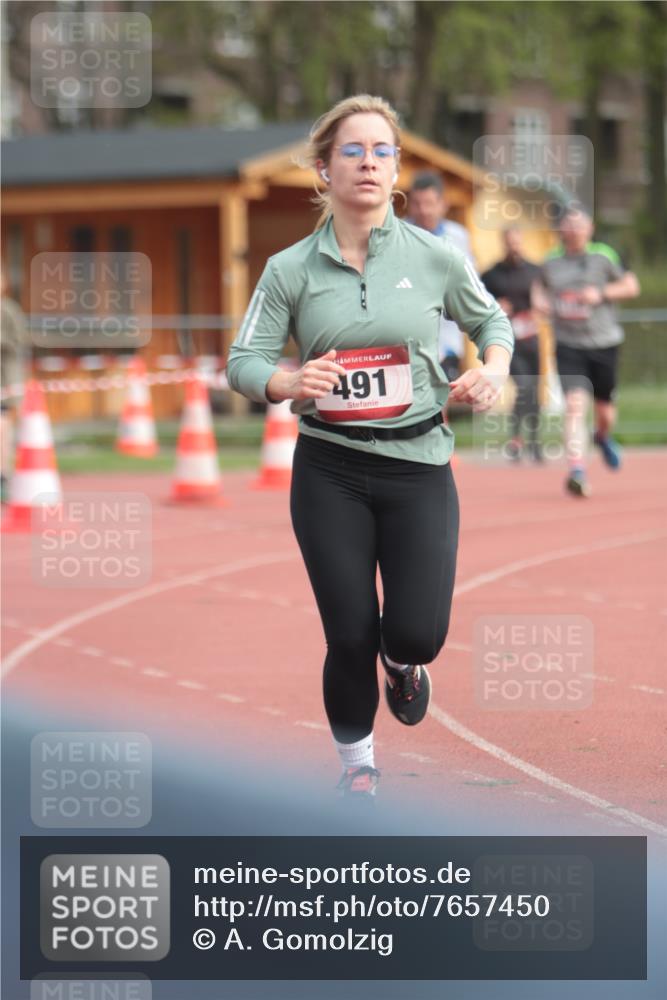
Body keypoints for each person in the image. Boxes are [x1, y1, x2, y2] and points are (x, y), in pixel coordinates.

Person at [226, 94, 513, 800]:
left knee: (417, 632)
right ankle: (357, 766)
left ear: (396, 169)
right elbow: (242, 361)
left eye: (382, 151)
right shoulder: (289, 269)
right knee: (348, 632)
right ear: (324, 169)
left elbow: (493, 323)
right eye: (352, 151)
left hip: (418, 465)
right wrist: (287, 381)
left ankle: (402, 660)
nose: (368, 163)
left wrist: (493, 369)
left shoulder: (435, 256)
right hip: (330, 469)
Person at [534, 208, 640, 497]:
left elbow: (631, 286)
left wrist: (601, 294)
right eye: (568, 225)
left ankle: (602, 436)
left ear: (590, 228)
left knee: (605, 413)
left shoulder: (604, 256)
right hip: (568, 345)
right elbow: (538, 288)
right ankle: (577, 470)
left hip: (604, 343)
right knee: (575, 406)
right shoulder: (551, 261)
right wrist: (541, 303)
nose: (574, 230)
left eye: (579, 225)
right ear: (561, 230)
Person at [481, 228, 543, 462]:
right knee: (524, 386)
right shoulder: (491, 275)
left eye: (517, 242)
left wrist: (540, 309)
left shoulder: (535, 271)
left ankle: (534, 441)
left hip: (531, 339)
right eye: (510, 243)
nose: (514, 247)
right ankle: (516, 438)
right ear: (504, 244)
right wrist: (495, 305)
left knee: (534, 391)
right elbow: (478, 301)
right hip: (506, 341)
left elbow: (544, 299)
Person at [407, 172, 474, 382]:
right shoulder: (398, 234)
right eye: (417, 204)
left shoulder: (458, 236)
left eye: (429, 203)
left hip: (447, 338)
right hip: (408, 339)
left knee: (443, 393)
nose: (423, 210)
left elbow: (469, 282)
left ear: (442, 204)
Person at [1, 268, 28, 502]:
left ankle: (3, 478)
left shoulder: (9, 309)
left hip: (5, 382)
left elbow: (20, 340)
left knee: (3, 429)